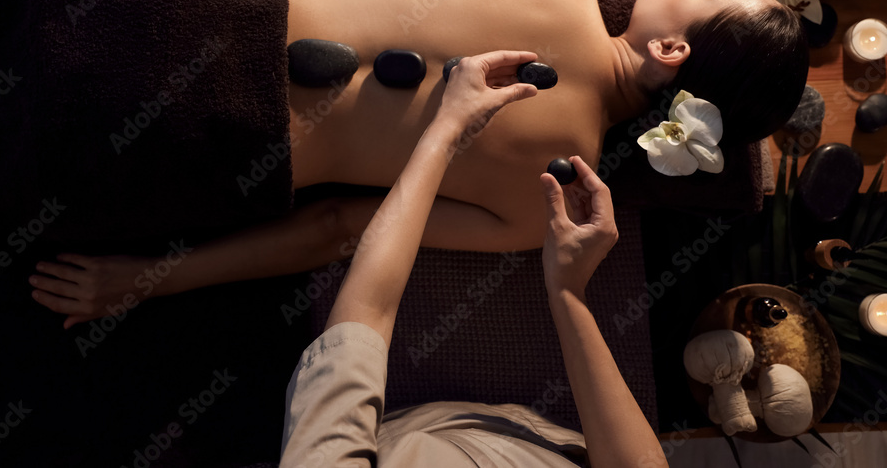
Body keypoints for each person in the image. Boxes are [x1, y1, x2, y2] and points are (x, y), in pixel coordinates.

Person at [30, 0, 809, 328]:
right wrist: (140, 280)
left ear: (672, 48)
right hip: (225, 142)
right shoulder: (542, 204)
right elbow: (335, 229)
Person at [279, 49, 666, 467]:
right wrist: (568, 289)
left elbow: (364, 315)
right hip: (541, 438)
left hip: (416, 429)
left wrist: (447, 129)